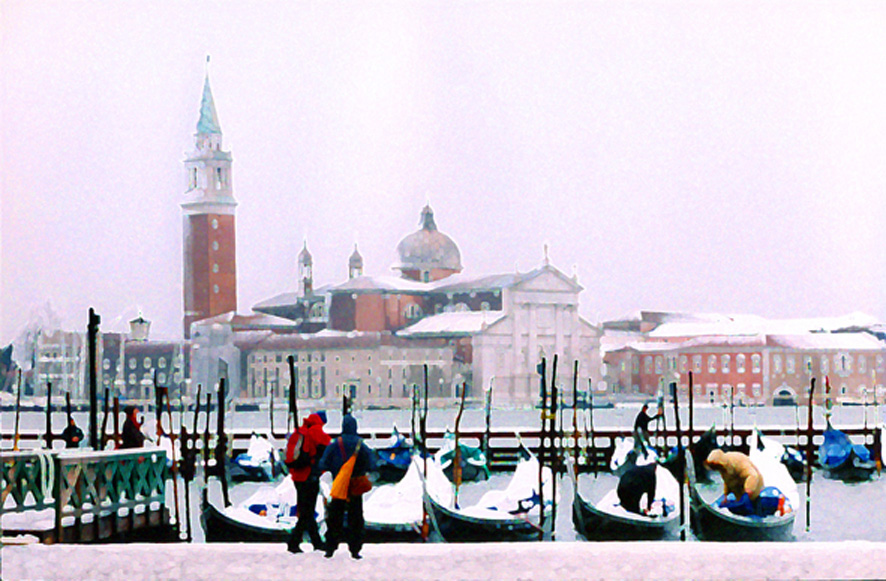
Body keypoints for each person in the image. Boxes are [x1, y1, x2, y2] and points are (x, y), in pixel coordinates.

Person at [318, 414, 374, 560]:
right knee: (356, 518)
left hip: (339, 485)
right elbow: (372, 464)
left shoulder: (334, 444)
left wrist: (337, 469)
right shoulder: (361, 445)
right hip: (355, 486)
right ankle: (355, 548)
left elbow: (323, 464)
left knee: (334, 517)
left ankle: (330, 547)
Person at [286, 412, 331, 554]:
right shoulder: (315, 431)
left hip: (297, 476)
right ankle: (294, 542)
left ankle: (316, 542)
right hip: (308, 476)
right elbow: (328, 444)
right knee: (307, 511)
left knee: (307, 510)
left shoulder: (300, 431)